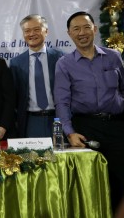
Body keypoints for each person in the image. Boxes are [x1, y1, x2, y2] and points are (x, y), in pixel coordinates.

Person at [54, 11, 124, 215]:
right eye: (76, 29)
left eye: (86, 27)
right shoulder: (64, 64)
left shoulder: (114, 56)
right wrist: (70, 132)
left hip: (117, 126)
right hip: (86, 130)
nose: (82, 32)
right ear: (69, 33)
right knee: (96, 184)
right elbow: (62, 102)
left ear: (94, 29)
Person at [10, 14, 63, 138]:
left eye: (36, 29)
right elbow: (14, 96)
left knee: (61, 156)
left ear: (46, 31)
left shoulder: (60, 58)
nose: (31, 34)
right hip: (30, 121)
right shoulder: (16, 63)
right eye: (27, 31)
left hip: (58, 119)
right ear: (23, 34)